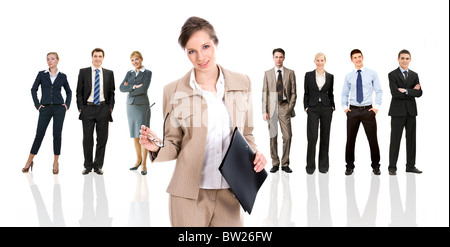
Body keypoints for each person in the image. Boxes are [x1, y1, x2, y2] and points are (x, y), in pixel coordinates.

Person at [139, 16, 267, 227]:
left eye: (206, 46)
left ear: (216, 43)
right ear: (186, 53)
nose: (201, 57)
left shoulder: (242, 82)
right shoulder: (173, 91)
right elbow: (173, 143)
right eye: (192, 51)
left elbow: (248, 133)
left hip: (231, 195)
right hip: (188, 195)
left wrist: (255, 156)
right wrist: (156, 146)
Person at [23, 52, 72, 174]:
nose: (50, 61)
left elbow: (69, 92)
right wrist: (38, 105)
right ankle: (29, 160)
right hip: (44, 108)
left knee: (57, 135)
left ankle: (56, 162)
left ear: (57, 60)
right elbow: (33, 89)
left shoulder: (63, 76)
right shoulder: (41, 74)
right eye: (48, 59)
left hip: (59, 109)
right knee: (39, 134)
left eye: (52, 59)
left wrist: (66, 105)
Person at [341, 49, 383, 176]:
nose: (358, 59)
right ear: (351, 60)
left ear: (363, 57)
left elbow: (379, 91)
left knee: (373, 139)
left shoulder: (372, 73)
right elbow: (344, 93)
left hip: (368, 111)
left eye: (359, 57)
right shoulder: (348, 76)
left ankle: (376, 166)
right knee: (350, 140)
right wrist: (345, 108)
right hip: (352, 111)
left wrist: (376, 108)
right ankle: (349, 166)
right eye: (355, 57)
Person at [76, 48, 115, 175]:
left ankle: (98, 166)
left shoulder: (109, 73)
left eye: (100, 56)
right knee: (87, 138)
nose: (97, 58)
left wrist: (110, 107)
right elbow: (79, 92)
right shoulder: (84, 72)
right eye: (95, 56)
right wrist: (81, 107)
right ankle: (88, 166)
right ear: (91, 57)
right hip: (88, 108)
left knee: (102, 139)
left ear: (103, 58)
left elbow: (111, 92)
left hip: (103, 109)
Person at [388, 49, 423, 175]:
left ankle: (410, 166)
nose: (404, 60)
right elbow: (395, 93)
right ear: (398, 59)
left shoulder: (414, 75)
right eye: (402, 58)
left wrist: (406, 91)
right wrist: (411, 91)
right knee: (395, 139)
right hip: (397, 112)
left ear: (410, 60)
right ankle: (392, 167)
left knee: (411, 140)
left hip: (411, 112)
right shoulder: (392, 74)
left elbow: (419, 93)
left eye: (407, 58)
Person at [262, 48, 297, 173]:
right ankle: (275, 163)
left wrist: (289, 107)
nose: (278, 59)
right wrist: (264, 111)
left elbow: (294, 92)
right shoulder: (267, 73)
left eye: (280, 57)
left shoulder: (290, 73)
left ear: (284, 58)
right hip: (271, 107)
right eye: (276, 57)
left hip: (284, 107)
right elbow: (264, 92)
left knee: (287, 136)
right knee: (273, 136)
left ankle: (285, 163)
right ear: (273, 58)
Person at [120, 51, 152, 175]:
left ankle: (144, 163)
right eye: (132, 60)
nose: (135, 62)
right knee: (134, 135)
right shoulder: (129, 73)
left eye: (136, 59)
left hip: (142, 106)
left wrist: (130, 88)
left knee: (143, 135)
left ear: (141, 59)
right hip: (130, 106)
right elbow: (121, 87)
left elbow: (144, 88)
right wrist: (134, 87)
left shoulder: (147, 73)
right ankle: (138, 159)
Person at [303, 52, 335, 174]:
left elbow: (331, 93)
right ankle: (310, 167)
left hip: (327, 108)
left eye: (322, 60)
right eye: (318, 60)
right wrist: (306, 107)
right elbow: (306, 92)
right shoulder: (309, 75)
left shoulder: (331, 76)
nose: (320, 62)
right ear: (315, 61)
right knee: (312, 137)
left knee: (325, 137)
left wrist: (332, 106)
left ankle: (323, 166)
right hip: (313, 108)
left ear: (325, 61)